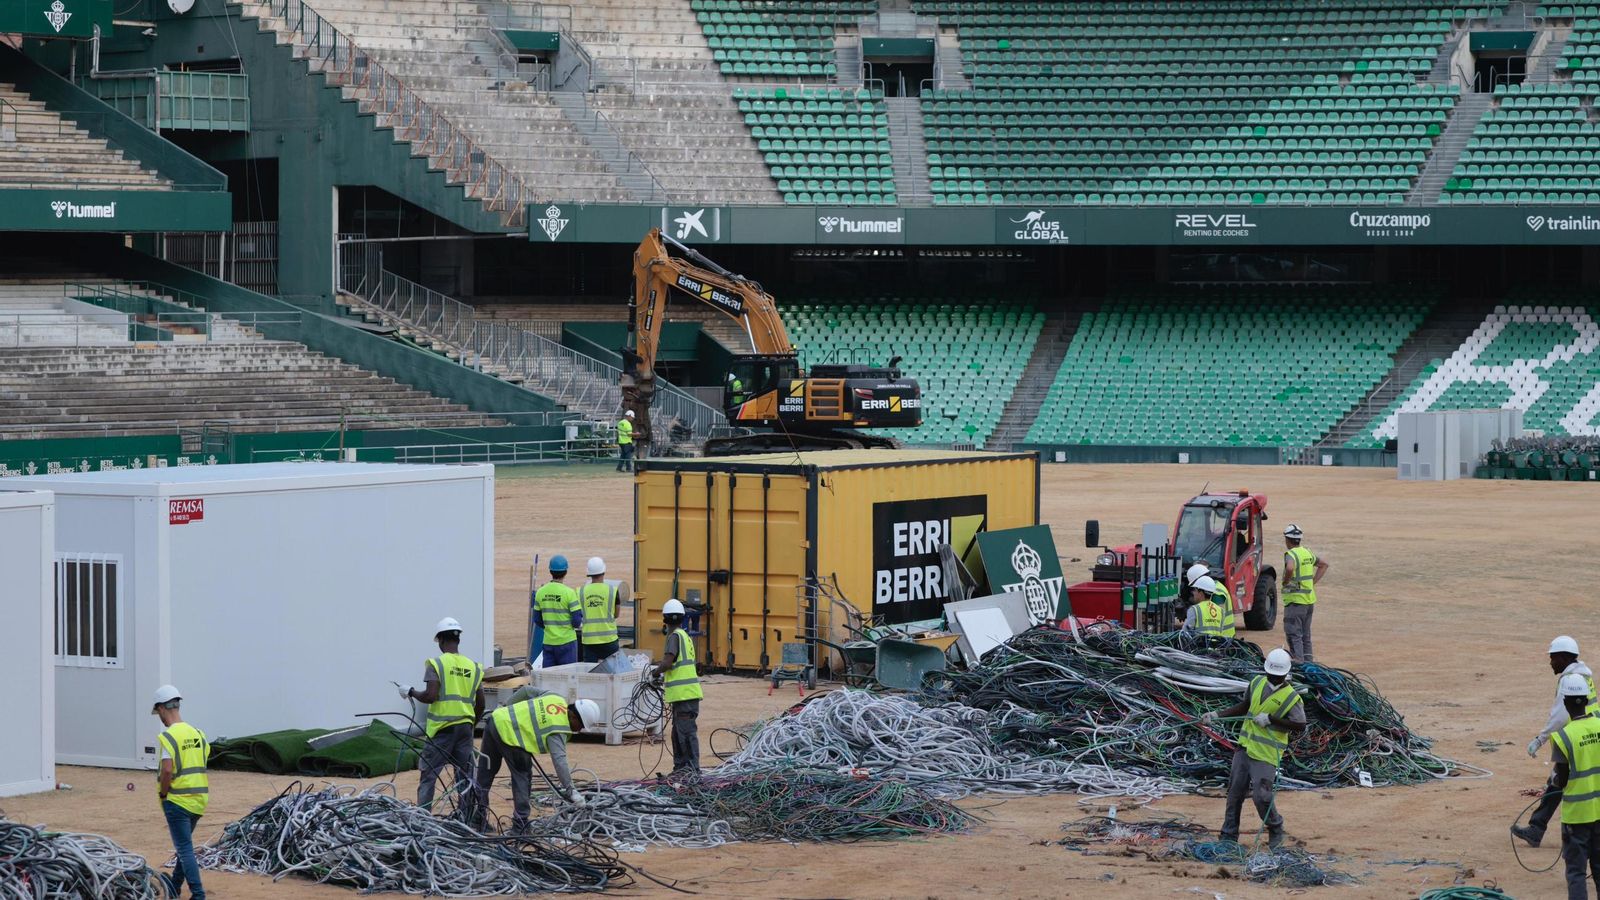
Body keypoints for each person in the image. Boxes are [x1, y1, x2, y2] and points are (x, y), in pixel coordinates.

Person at [1202, 648, 1307, 848]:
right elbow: (1245, 706)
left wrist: (1271, 719)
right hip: (1244, 747)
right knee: (1234, 792)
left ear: (1285, 674)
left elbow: (1300, 725)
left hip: (1266, 754)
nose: (1273, 679)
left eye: (1277, 676)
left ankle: (1275, 827)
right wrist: (1217, 715)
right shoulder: (1257, 683)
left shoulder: (1292, 698)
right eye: (1271, 675)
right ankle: (1228, 836)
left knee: (1262, 797)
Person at [470, 691, 597, 832]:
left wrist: (506, 707)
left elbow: (526, 690)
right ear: (573, 716)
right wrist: (571, 790)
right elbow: (559, 761)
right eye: (581, 726)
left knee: (485, 774)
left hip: (495, 720)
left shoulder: (555, 697)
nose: (579, 730)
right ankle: (521, 824)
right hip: (512, 738)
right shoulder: (558, 727)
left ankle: (477, 819)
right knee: (523, 777)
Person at [1516, 636, 1600, 847]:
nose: (1551, 662)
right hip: (1592, 735)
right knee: (1559, 780)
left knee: (1560, 781)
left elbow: (1560, 716)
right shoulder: (1584, 676)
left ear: (1563, 658)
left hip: (1578, 738)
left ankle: (1537, 828)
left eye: (1553, 658)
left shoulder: (1570, 681)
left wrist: (1540, 739)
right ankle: (1537, 827)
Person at [400, 617, 485, 814]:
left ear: (440, 640)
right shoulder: (473, 666)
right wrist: (471, 722)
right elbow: (481, 703)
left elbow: (430, 696)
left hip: (442, 730)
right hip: (465, 728)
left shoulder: (436, 664)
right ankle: (469, 818)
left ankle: (423, 819)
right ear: (458, 640)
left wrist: (410, 691)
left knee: (429, 774)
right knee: (466, 776)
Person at [152, 685, 209, 900]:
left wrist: (163, 794)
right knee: (185, 847)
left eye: (158, 713)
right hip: (199, 800)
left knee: (185, 849)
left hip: (177, 801)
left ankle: (198, 894)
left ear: (162, 708)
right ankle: (175, 885)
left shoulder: (170, 736)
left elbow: (167, 769)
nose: (160, 718)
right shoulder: (198, 734)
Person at [1548, 672, 1600, 899]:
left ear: (1566, 702)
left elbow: (1563, 779)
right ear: (1587, 700)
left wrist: (1554, 781)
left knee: (1576, 873)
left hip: (1577, 817)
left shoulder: (1563, 737)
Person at [654, 598, 704, 776]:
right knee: (679, 733)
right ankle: (682, 769)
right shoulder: (685, 636)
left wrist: (655, 673)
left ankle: (691, 771)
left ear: (665, 620)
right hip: (686, 695)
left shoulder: (674, 637)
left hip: (684, 696)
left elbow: (668, 662)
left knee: (686, 734)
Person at [1280, 525, 1329, 663]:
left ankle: (1299, 663)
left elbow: (1289, 567)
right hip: (1309, 601)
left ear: (1287, 539)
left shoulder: (1291, 555)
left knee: (1293, 634)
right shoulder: (1307, 553)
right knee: (1305, 636)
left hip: (1295, 602)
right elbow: (1324, 564)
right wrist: (1312, 582)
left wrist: (1286, 581)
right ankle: (1309, 665)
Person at [532, 555, 583, 667]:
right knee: (568, 677)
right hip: (567, 642)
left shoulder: (540, 592)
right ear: (565, 572)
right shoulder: (569, 593)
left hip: (549, 642)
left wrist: (550, 628)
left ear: (550, 571)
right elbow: (577, 621)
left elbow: (537, 619)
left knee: (550, 678)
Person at [579, 556, 621, 663]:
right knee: (613, 673)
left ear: (589, 573)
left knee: (590, 676)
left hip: (589, 641)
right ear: (603, 571)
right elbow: (616, 614)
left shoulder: (581, 591)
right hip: (609, 639)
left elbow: (578, 614)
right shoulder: (612, 591)